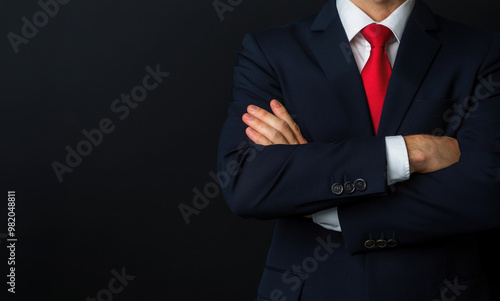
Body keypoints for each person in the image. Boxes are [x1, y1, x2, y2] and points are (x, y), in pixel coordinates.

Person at [217, 0, 500, 299]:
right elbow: (247, 182)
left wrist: (323, 201)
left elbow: (489, 190)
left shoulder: (481, 51)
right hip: (308, 289)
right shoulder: (271, 51)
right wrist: (410, 152)